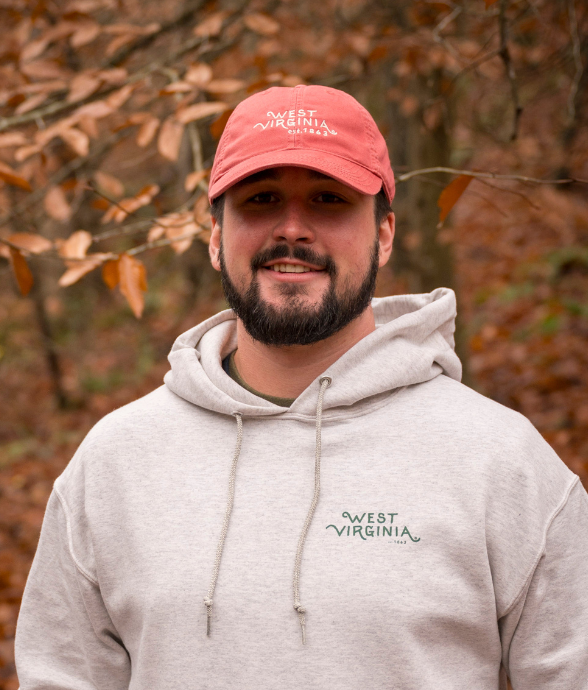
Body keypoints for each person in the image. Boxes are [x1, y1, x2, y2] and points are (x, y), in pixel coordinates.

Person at [15, 85, 588, 690]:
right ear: (215, 237)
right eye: (261, 199)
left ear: (385, 234)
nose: (293, 228)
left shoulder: (502, 461)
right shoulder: (114, 463)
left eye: (328, 199)